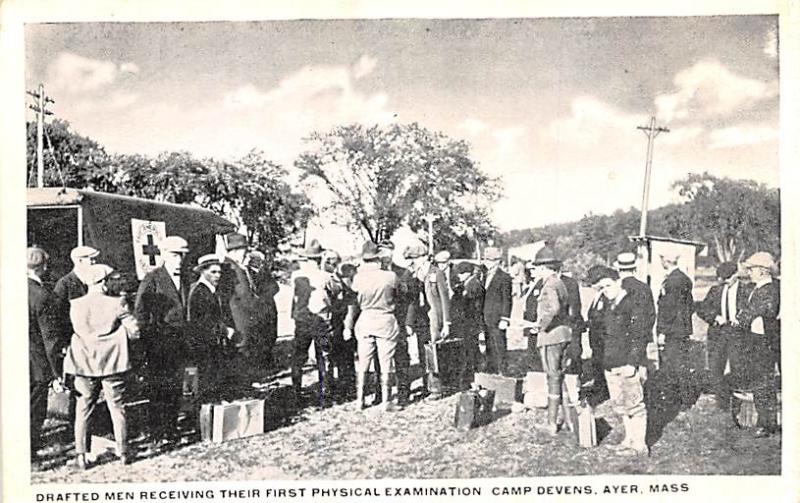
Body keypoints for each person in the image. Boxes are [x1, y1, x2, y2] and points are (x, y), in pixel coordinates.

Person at [64, 264, 137, 468]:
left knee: (83, 407)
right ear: (104, 283)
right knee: (117, 406)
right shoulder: (117, 303)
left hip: (83, 362)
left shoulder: (75, 304)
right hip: (112, 363)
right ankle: (123, 452)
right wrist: (124, 333)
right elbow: (135, 330)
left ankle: (80, 455)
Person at [134, 235, 190, 445]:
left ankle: (171, 427)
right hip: (159, 344)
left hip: (181, 343)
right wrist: (148, 341)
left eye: (182, 256)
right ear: (164, 255)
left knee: (176, 386)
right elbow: (141, 311)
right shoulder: (153, 278)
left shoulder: (185, 278)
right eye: (175, 255)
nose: (179, 260)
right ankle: (158, 432)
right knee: (159, 388)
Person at [587, 265, 649, 456]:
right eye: (601, 288)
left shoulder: (633, 304)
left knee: (634, 405)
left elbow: (640, 335)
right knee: (621, 406)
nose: (605, 291)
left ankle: (639, 445)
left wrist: (632, 364)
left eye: (607, 286)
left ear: (618, 282)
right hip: (610, 363)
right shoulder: (607, 305)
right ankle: (628, 439)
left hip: (626, 363)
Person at [348, 242, 401, 411]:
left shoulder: (358, 278)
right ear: (378, 258)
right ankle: (386, 402)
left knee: (363, 363)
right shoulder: (390, 276)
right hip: (385, 319)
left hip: (365, 319)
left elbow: (354, 299)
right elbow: (399, 294)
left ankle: (359, 401)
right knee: (386, 363)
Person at [527, 247, 572, 435]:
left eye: (537, 267)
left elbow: (553, 308)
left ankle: (552, 424)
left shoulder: (549, 285)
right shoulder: (560, 283)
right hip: (563, 334)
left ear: (545, 268)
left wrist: (540, 325)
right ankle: (569, 420)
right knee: (560, 377)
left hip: (551, 337)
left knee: (553, 377)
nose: (535, 271)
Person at [696, 261, 752, 409]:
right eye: (722, 278)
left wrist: (741, 320)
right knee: (716, 369)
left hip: (738, 335)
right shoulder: (715, 290)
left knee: (738, 368)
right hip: (718, 334)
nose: (725, 281)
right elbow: (701, 309)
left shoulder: (746, 291)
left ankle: (738, 403)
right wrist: (715, 317)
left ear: (736, 274)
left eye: (728, 277)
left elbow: (752, 311)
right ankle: (722, 403)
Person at [736, 252, 781, 437]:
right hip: (755, 340)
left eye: (752, 269)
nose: (749, 272)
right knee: (759, 381)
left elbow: (764, 310)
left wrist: (745, 316)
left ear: (763, 271)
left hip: (764, 342)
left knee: (763, 382)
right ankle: (765, 421)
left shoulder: (770, 289)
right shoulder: (758, 288)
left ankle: (766, 423)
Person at [28, 246, 64, 465]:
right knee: (33, 410)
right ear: (43, 267)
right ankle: (29, 453)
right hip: (35, 364)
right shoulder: (41, 296)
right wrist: (56, 371)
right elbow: (49, 339)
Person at [290, 240, 335, 407]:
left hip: (301, 320)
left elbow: (294, 300)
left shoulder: (296, 276)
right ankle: (325, 394)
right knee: (323, 356)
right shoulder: (325, 276)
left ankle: (296, 392)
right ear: (319, 258)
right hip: (321, 319)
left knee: (298, 356)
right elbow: (334, 294)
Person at [406, 243, 451, 399]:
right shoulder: (413, 274)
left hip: (433, 318)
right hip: (420, 319)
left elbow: (445, 298)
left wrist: (446, 322)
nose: (413, 261)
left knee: (433, 352)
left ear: (424, 257)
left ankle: (436, 388)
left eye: (415, 258)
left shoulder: (436, 273)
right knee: (422, 352)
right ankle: (427, 386)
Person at [187, 255, 233, 402]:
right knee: (206, 382)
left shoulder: (211, 291)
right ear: (203, 272)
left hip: (211, 343)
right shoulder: (200, 292)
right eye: (213, 272)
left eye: (219, 272)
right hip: (204, 345)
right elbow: (204, 322)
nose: (217, 276)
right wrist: (225, 330)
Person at [655, 251, 695, 410]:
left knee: (671, 366)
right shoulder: (684, 279)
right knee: (682, 364)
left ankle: (675, 401)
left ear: (666, 261)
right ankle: (685, 399)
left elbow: (668, 309)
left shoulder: (671, 281)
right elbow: (690, 306)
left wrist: (663, 331)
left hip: (672, 331)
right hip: (682, 329)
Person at [218, 233, 262, 366]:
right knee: (240, 351)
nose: (246, 254)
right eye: (245, 251)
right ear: (236, 251)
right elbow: (238, 295)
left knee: (244, 350)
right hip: (238, 318)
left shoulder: (237, 266)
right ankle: (242, 384)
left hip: (243, 318)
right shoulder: (230, 267)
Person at [451, 261, 485, 386]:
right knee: (468, 351)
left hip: (470, 324)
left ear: (468, 273)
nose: (459, 276)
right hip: (467, 324)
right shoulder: (467, 284)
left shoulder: (474, 285)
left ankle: (469, 379)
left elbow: (475, 307)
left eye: (461, 273)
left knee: (470, 352)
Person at [246, 250, 280, 368]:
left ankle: (268, 359)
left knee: (271, 333)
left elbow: (275, 287)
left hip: (269, 307)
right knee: (260, 334)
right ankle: (261, 361)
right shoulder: (247, 274)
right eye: (258, 261)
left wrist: (265, 296)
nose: (260, 264)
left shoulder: (265, 272)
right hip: (258, 309)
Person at [482, 246, 512, 375]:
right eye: (486, 259)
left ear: (497, 261)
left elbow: (507, 300)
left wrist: (505, 318)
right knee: (489, 344)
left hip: (497, 318)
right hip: (485, 317)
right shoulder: (483, 275)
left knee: (499, 344)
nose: (487, 262)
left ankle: (502, 371)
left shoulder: (504, 277)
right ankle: (491, 369)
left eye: (490, 260)